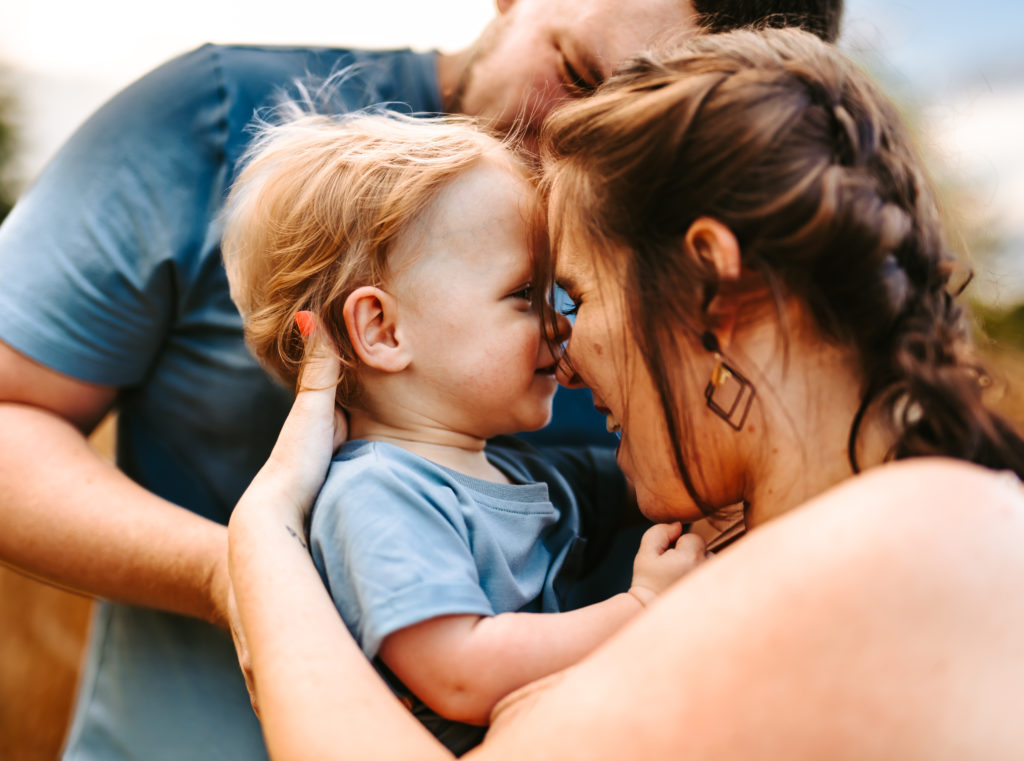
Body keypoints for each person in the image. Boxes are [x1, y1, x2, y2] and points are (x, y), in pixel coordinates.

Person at [0, 2, 841, 759]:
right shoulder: (205, 116)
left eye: (640, 140)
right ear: (379, 327)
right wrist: (254, 571)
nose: (561, 324)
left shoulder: (515, 456)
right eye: (578, 75)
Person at [228, 27, 1024, 760]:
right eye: (531, 298)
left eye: (573, 294)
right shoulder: (868, 537)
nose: (564, 357)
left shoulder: (911, 542)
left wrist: (264, 533)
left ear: (714, 287)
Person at [221, 109, 705, 754]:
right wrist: (643, 605)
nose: (559, 325)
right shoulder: (378, 495)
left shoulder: (522, 473)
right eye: (525, 294)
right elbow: (459, 672)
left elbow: (661, 483)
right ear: (383, 331)